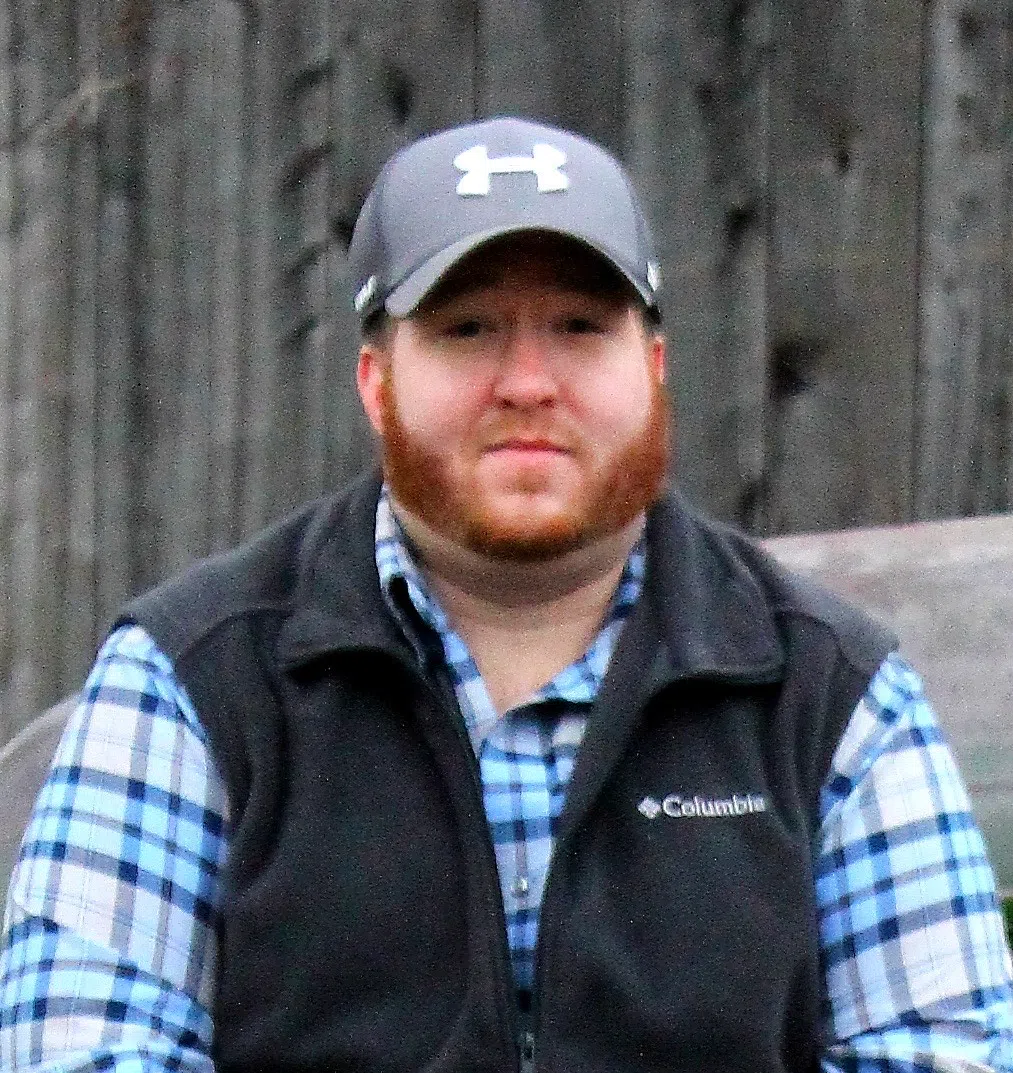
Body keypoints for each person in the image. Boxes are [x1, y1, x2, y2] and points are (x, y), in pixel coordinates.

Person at [1, 116, 1011, 1073]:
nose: (528, 381)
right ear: (375, 381)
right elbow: (80, 1046)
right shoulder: (194, 680)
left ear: (653, 368)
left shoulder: (831, 692)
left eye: (578, 326)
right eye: (468, 327)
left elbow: (943, 1050)